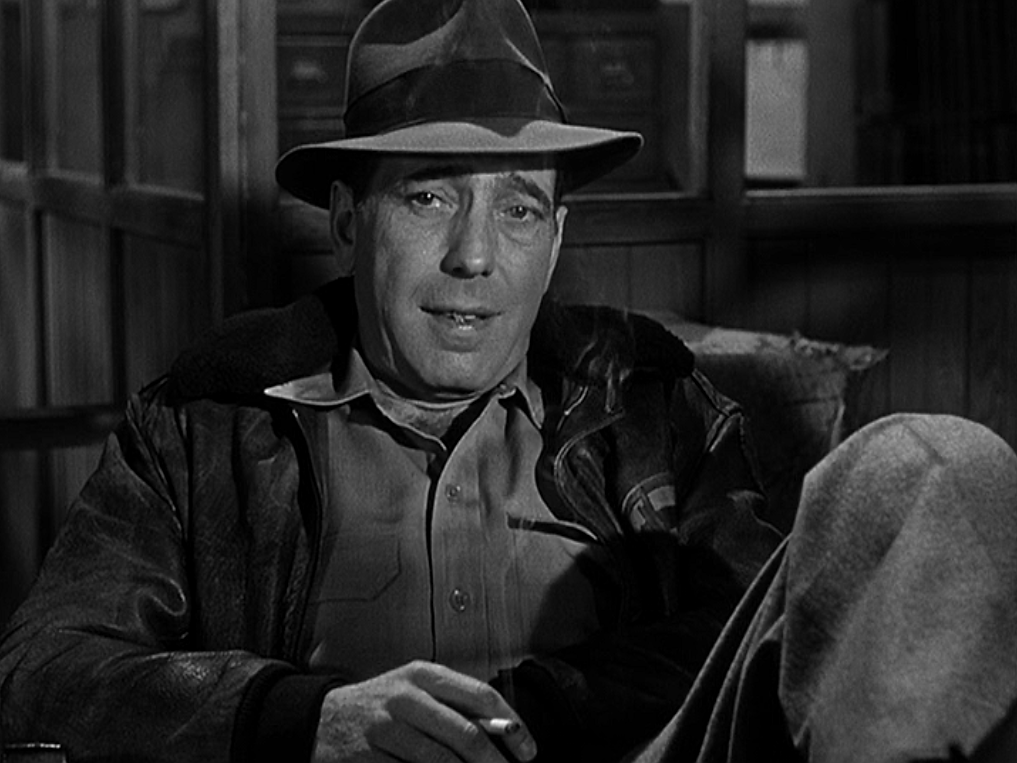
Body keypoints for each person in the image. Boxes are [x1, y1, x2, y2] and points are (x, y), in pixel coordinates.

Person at [1, 1, 1015, 762]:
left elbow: (756, 625)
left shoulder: (647, 398)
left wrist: (538, 710)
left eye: (519, 209)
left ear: (557, 234)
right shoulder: (210, 418)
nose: (475, 256)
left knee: (933, 462)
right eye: (429, 197)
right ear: (348, 218)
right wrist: (308, 719)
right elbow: (41, 668)